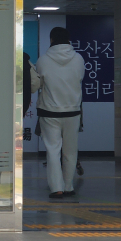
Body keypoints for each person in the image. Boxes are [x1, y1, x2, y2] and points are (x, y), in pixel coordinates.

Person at [35, 27, 85, 199]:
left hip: (49, 111)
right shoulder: (78, 59)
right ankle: (69, 186)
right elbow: (79, 80)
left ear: (51, 40)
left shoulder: (43, 60)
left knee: (53, 150)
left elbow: (38, 84)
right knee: (71, 151)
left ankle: (57, 188)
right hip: (72, 111)